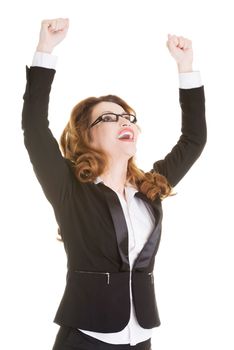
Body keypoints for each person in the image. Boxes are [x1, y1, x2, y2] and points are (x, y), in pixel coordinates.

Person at [22, 18, 206, 350]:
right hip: (86, 338)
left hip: (141, 339)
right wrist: (45, 50)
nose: (124, 121)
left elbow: (194, 139)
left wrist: (186, 67)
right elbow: (34, 127)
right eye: (109, 117)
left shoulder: (150, 188)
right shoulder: (70, 189)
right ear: (87, 135)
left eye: (128, 117)